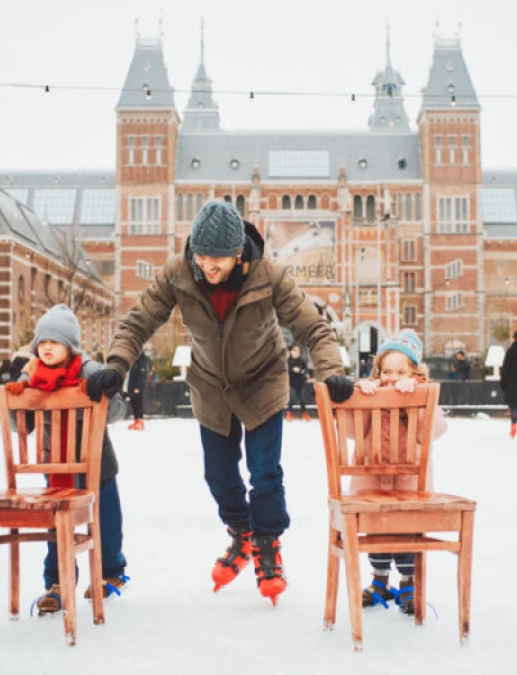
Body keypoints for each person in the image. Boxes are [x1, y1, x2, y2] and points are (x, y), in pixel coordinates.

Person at [85, 200, 352, 606]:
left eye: (218, 259)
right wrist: (117, 365)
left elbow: (313, 327)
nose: (208, 266)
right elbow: (138, 322)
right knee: (219, 475)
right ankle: (241, 532)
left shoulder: (269, 275)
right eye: (202, 256)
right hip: (211, 385)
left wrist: (331, 370)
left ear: (238, 253)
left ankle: (266, 543)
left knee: (265, 474)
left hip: (263, 381)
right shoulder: (178, 272)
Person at [6, 304, 129, 615]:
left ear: (70, 346)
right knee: (56, 526)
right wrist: (17, 395)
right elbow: (20, 425)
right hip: (56, 467)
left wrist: (107, 389)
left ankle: (111, 570)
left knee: (106, 521)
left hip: (97, 465)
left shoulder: (89, 370)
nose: (46, 348)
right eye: (41, 343)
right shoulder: (32, 374)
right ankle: (58, 580)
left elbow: (117, 412)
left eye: (54, 342)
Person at [347, 330, 448, 615]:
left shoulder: (423, 395)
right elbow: (353, 433)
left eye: (401, 370)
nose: (392, 377)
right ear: (377, 371)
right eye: (387, 371)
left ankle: (408, 583)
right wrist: (362, 401)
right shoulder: (370, 391)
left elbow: (434, 432)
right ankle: (379, 581)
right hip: (372, 481)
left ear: (414, 371)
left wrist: (415, 401)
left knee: (407, 529)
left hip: (409, 484)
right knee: (378, 529)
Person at [126, 352, 151, 430]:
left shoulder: (142, 361)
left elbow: (142, 376)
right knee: (134, 403)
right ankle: (136, 421)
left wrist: (138, 387)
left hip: (137, 388)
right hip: (132, 387)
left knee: (138, 403)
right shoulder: (134, 361)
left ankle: (140, 422)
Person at [285, 344, 310, 421]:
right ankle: (288, 414)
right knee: (292, 398)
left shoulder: (302, 360)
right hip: (291, 383)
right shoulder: (288, 361)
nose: (296, 352)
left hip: (300, 383)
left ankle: (304, 414)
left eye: (297, 351)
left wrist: (301, 371)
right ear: (291, 351)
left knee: (302, 399)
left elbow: (306, 370)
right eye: (294, 350)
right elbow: (285, 370)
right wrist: (292, 370)